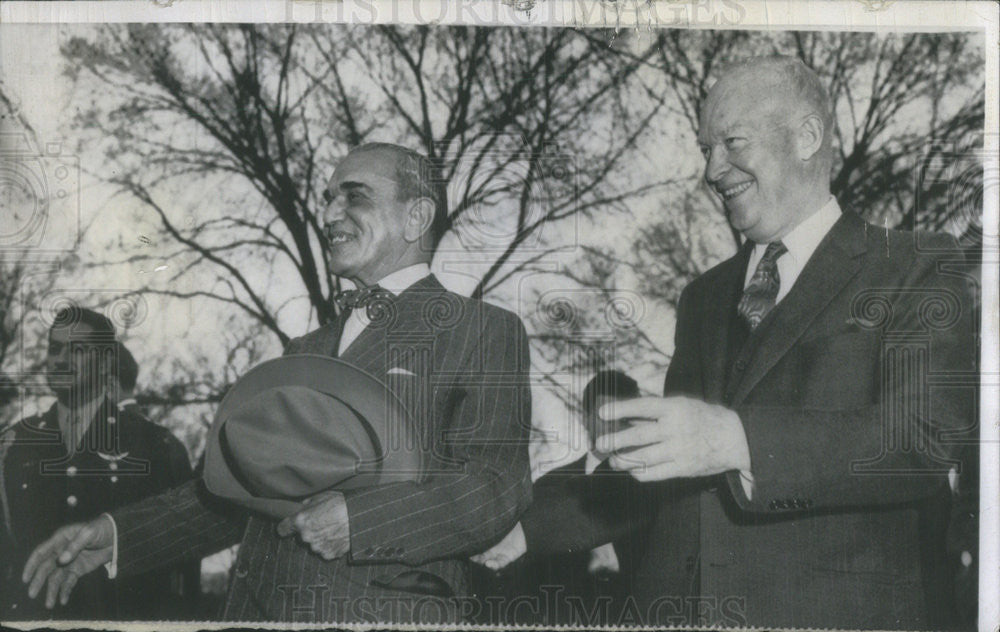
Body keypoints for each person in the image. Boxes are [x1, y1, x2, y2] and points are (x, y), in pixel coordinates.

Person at [495, 57, 976, 629]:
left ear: (806, 136)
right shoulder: (704, 295)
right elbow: (669, 469)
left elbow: (922, 437)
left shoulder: (913, 265)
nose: (712, 168)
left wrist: (739, 440)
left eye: (732, 141)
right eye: (705, 149)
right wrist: (522, 527)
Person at [22, 143, 533, 624]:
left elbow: (494, 487)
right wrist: (115, 535)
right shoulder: (303, 349)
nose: (330, 214)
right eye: (329, 199)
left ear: (416, 217)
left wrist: (361, 523)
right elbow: (231, 495)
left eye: (354, 196)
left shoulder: (481, 331)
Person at [0, 307, 194, 620]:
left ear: (105, 364)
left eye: (77, 350)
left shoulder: (153, 444)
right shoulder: (14, 444)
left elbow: (180, 564)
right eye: (54, 348)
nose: (61, 359)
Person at [471, 369, 654, 626]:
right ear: (585, 418)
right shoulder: (547, 487)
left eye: (625, 415)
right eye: (607, 413)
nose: (615, 425)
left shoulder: (655, 488)